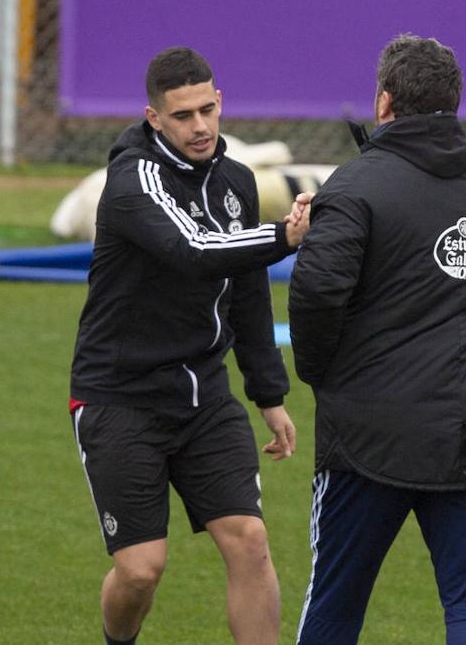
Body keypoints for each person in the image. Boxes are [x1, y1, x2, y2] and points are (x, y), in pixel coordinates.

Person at [69, 46, 312, 645]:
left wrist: (269, 394)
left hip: (205, 397)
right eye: (182, 116)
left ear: (221, 102)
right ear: (154, 117)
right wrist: (285, 235)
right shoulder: (132, 181)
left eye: (208, 109)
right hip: (121, 398)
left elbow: (249, 291)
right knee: (142, 570)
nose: (199, 126)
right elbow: (195, 251)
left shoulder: (236, 181)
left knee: (250, 541)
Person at [288, 34, 466, 645]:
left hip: (369, 437)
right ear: (454, 104)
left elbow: (315, 296)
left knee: (335, 603)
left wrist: (321, 375)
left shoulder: (355, 186)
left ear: (385, 102)